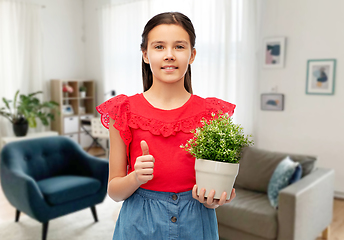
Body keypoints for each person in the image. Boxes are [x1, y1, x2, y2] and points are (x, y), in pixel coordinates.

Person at [96, 12, 236, 240]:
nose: (169, 55)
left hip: (196, 224)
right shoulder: (123, 111)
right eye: (159, 47)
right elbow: (114, 191)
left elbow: (216, 190)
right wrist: (136, 177)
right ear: (145, 55)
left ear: (192, 55)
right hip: (139, 225)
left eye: (179, 47)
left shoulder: (213, 114)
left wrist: (217, 196)